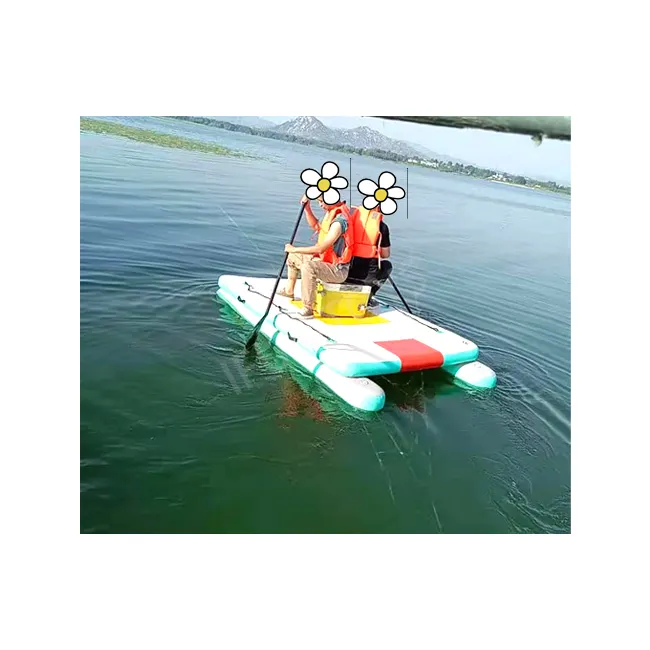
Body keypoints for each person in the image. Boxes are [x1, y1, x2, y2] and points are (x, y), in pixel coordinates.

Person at [279, 194, 354, 317]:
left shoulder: (339, 222)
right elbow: (316, 227)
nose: (320, 205)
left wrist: (295, 248)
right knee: (292, 256)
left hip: (338, 270)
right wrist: (307, 208)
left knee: (308, 267)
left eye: (321, 201)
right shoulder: (330, 213)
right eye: (318, 201)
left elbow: (321, 248)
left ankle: (308, 308)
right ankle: (289, 291)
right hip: (325, 261)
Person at [346, 205, 393, 306]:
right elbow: (385, 254)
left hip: (345, 274)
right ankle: (369, 296)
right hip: (367, 281)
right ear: (380, 209)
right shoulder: (382, 227)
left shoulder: (349, 222)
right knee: (387, 266)